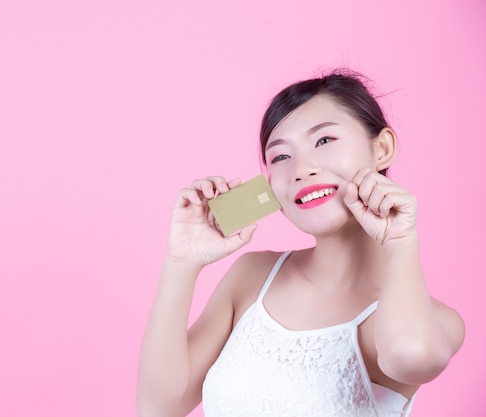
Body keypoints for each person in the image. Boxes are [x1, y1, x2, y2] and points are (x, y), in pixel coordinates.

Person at [136, 70, 465, 417]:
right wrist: (181, 263)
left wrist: (400, 241)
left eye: (324, 141)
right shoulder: (252, 276)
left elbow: (411, 356)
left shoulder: (435, 321)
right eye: (280, 156)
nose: (301, 169)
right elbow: (158, 408)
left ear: (381, 148)